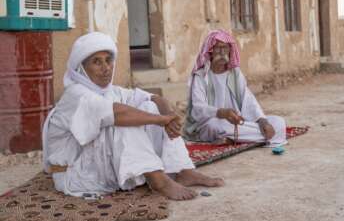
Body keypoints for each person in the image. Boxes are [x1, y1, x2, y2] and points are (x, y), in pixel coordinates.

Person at [42, 32, 223, 201]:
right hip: (78, 174)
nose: (106, 68)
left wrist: (168, 115)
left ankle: (182, 170)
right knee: (122, 119)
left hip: (98, 165)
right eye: (96, 62)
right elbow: (117, 113)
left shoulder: (109, 92)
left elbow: (153, 97)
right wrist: (161, 121)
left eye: (108, 60)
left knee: (149, 107)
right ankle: (158, 179)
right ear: (81, 69)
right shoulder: (76, 94)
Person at [184, 29, 287, 147]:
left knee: (278, 123)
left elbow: (248, 100)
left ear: (230, 50)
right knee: (214, 126)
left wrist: (262, 121)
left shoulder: (235, 74)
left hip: (238, 122)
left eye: (225, 48)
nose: (222, 52)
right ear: (210, 51)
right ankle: (253, 137)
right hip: (211, 122)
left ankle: (233, 139)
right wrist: (221, 113)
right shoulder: (201, 77)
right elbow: (198, 108)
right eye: (218, 48)